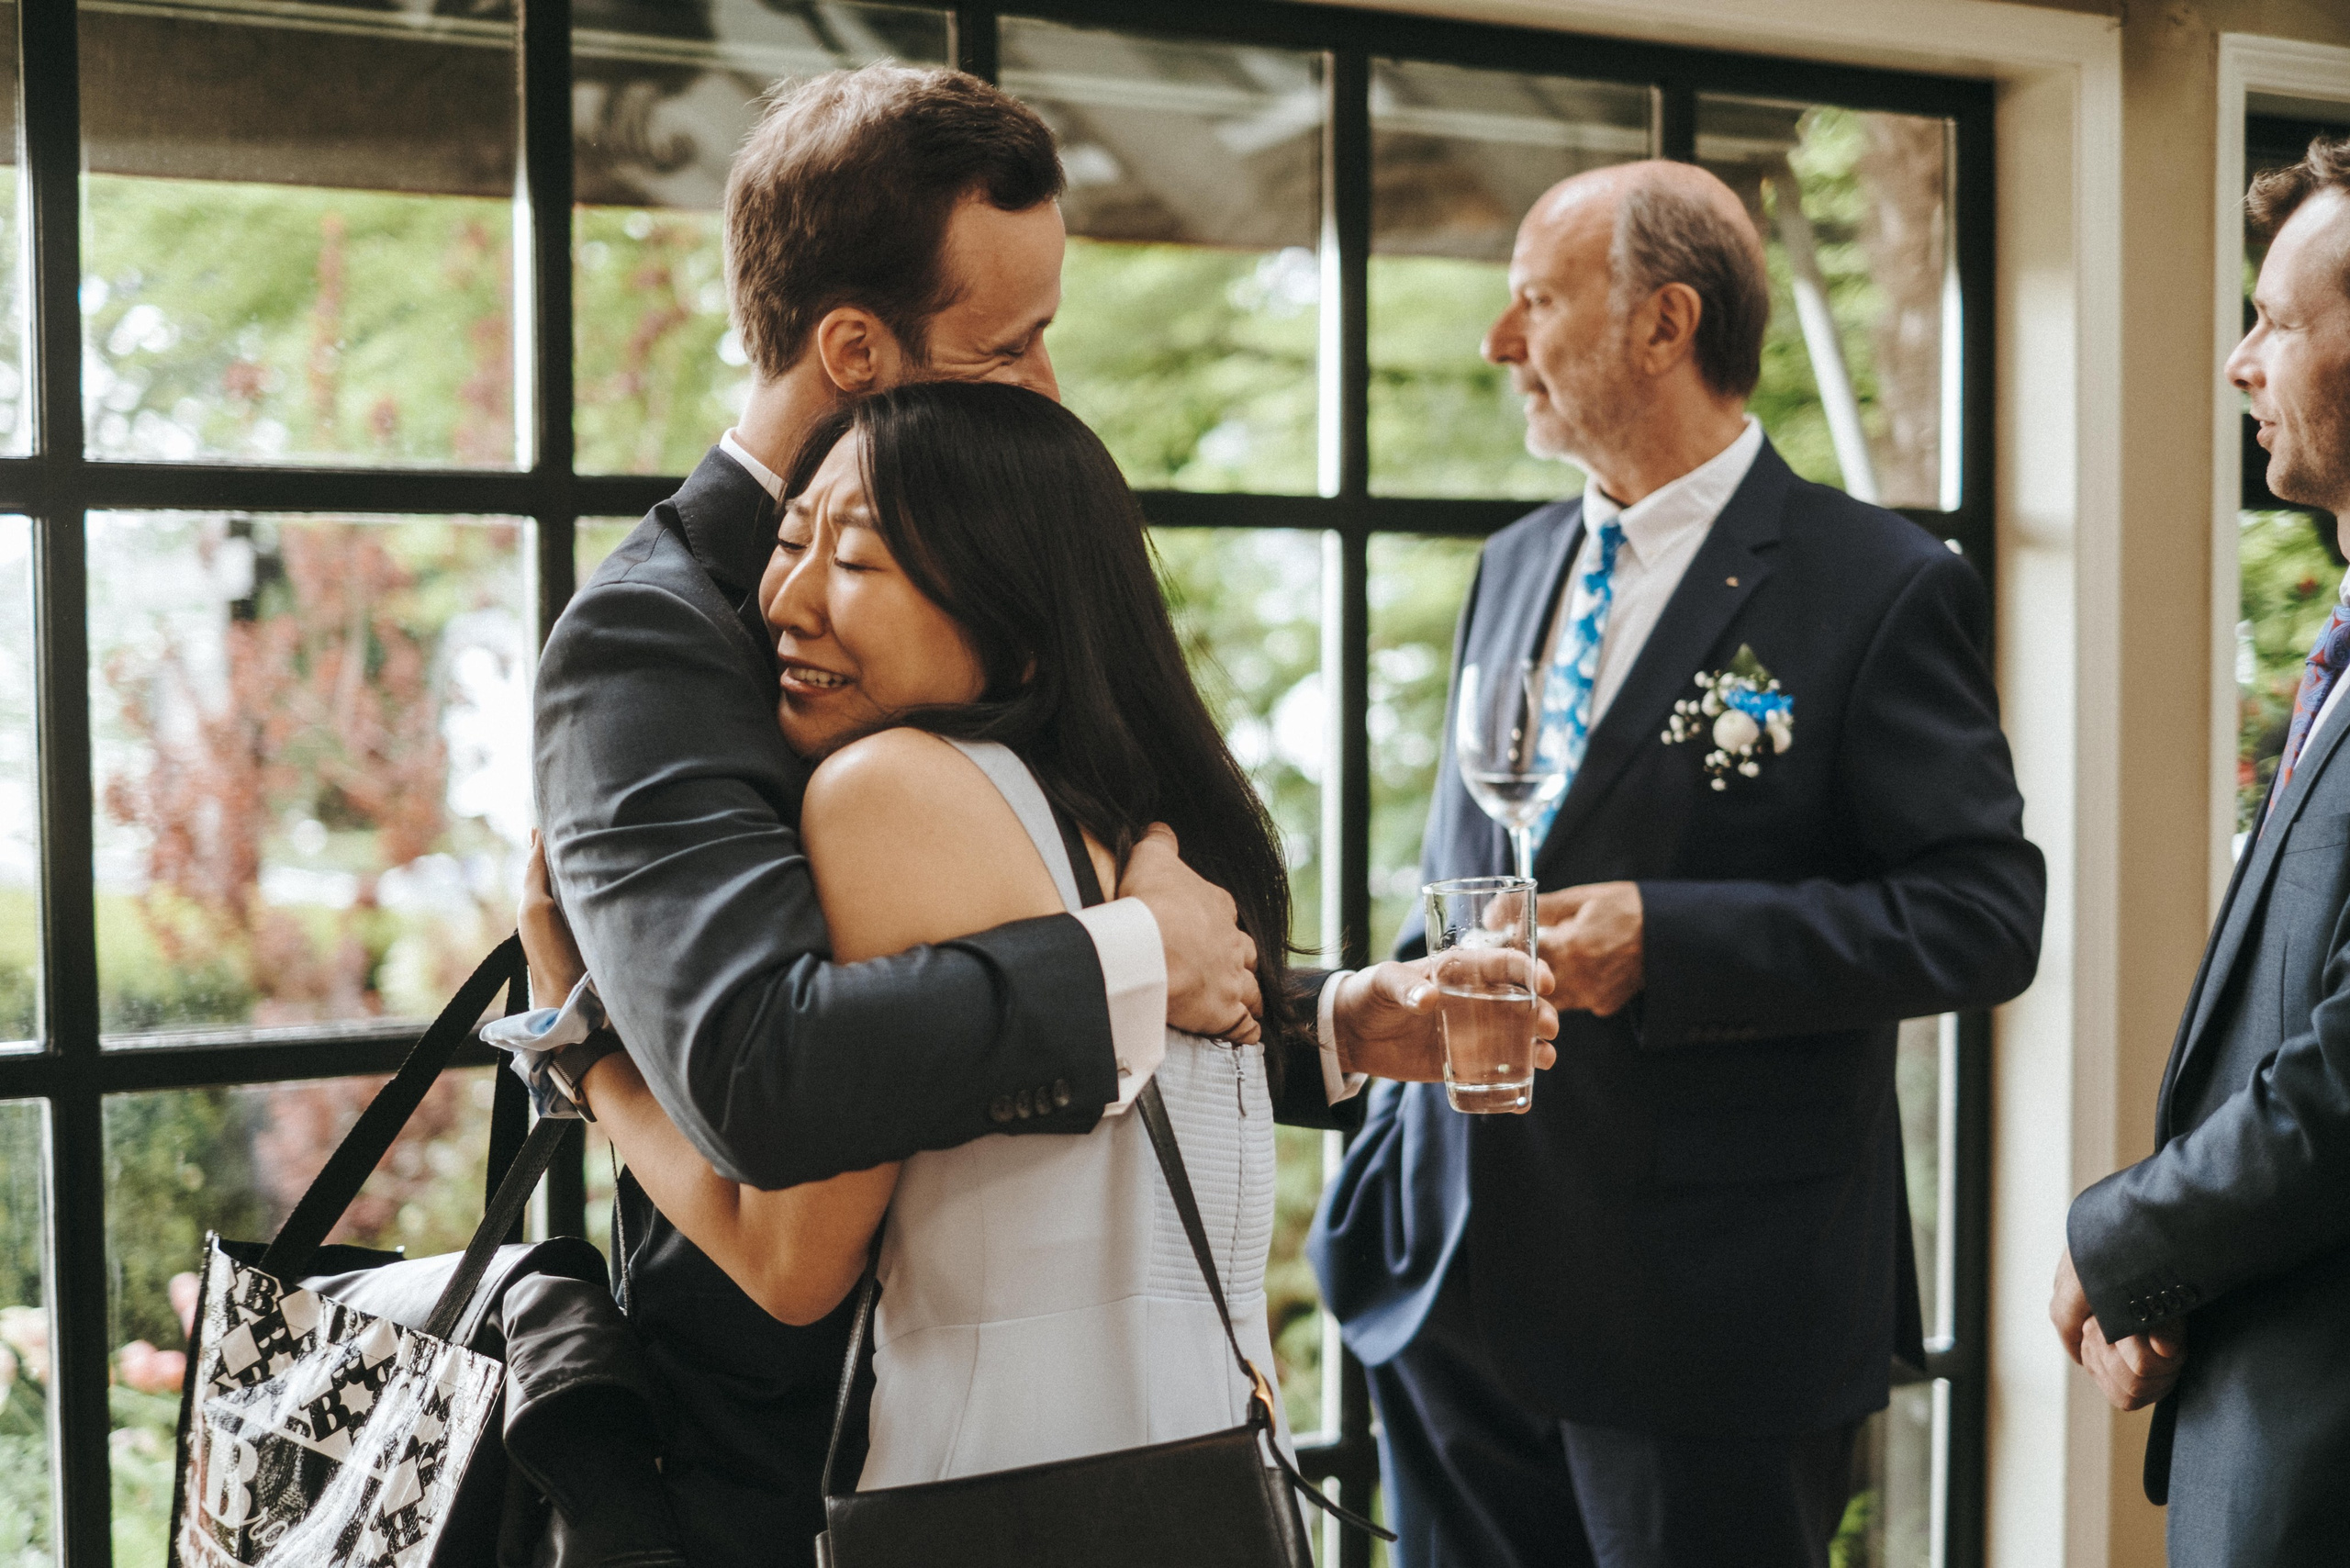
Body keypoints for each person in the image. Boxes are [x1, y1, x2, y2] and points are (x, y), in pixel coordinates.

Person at [529, 64, 1499, 1567]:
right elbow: (765, 1067)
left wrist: (1323, 1021)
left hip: (1066, 1448)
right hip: (779, 1470)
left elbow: (1039, 904)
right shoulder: (649, 641)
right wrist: (1129, 958)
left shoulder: (976, 581)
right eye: (1011, 343)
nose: (1047, 385)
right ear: (857, 350)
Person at [1307, 160, 2045, 1568]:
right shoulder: (1513, 563)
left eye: (1534, 301)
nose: (1500, 341)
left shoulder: (1875, 585)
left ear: (1665, 325)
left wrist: (1669, 935)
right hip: (1447, 1285)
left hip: (1709, 1321)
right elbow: (1468, 858)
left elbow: (1985, 914)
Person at [2053, 134, 2350, 1565]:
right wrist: (2167, 1284)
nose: (2241, 361)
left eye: (2281, 322)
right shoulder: (2335, 659)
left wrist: (2121, 1245)